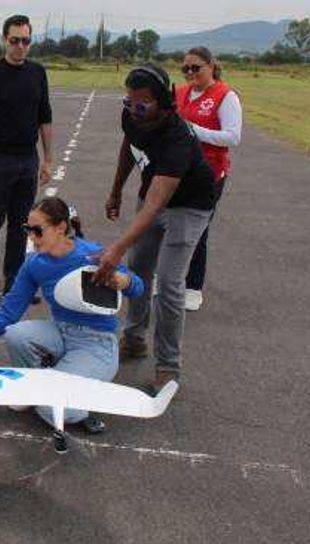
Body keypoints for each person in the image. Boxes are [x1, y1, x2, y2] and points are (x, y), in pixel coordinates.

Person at [0, 198, 144, 435]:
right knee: (16, 334)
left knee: (54, 411)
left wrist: (124, 281)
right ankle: (44, 384)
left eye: (37, 231)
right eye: (27, 230)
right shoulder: (34, 264)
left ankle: (72, 396)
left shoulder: (94, 255)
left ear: (60, 228)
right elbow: (10, 309)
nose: (31, 238)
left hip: (96, 343)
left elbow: (138, 288)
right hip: (60, 331)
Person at [98, 63, 217, 393]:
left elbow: (155, 205)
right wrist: (116, 190)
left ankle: (168, 366)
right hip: (152, 192)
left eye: (141, 103)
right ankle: (134, 340)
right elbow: (129, 146)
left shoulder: (177, 138)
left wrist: (117, 247)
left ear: (163, 102)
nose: (132, 109)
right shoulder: (132, 115)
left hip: (190, 205)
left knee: (169, 284)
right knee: (138, 269)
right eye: (128, 101)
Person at [0, 14, 53, 294]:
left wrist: (48, 160)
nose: (20, 46)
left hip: (27, 159)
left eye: (26, 41)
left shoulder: (37, 72)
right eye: (15, 40)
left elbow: (45, 118)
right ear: (5, 39)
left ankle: (13, 281)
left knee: (21, 225)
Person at [176, 46, 242, 311]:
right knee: (170, 226)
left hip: (210, 174)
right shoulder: (180, 93)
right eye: (185, 68)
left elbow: (232, 136)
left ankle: (193, 287)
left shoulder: (226, 96)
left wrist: (195, 131)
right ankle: (168, 278)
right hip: (178, 172)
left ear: (211, 65)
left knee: (198, 230)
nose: (190, 73)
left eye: (196, 68)